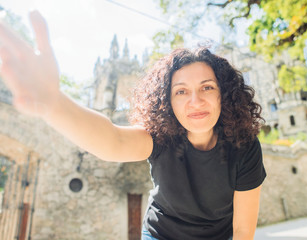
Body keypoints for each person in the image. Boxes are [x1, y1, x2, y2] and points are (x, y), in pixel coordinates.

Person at [0, 10, 266, 240]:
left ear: (224, 94)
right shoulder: (162, 138)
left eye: (206, 87)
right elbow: (112, 141)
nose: (195, 101)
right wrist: (53, 103)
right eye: (181, 91)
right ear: (168, 102)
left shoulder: (245, 145)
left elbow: (243, 230)